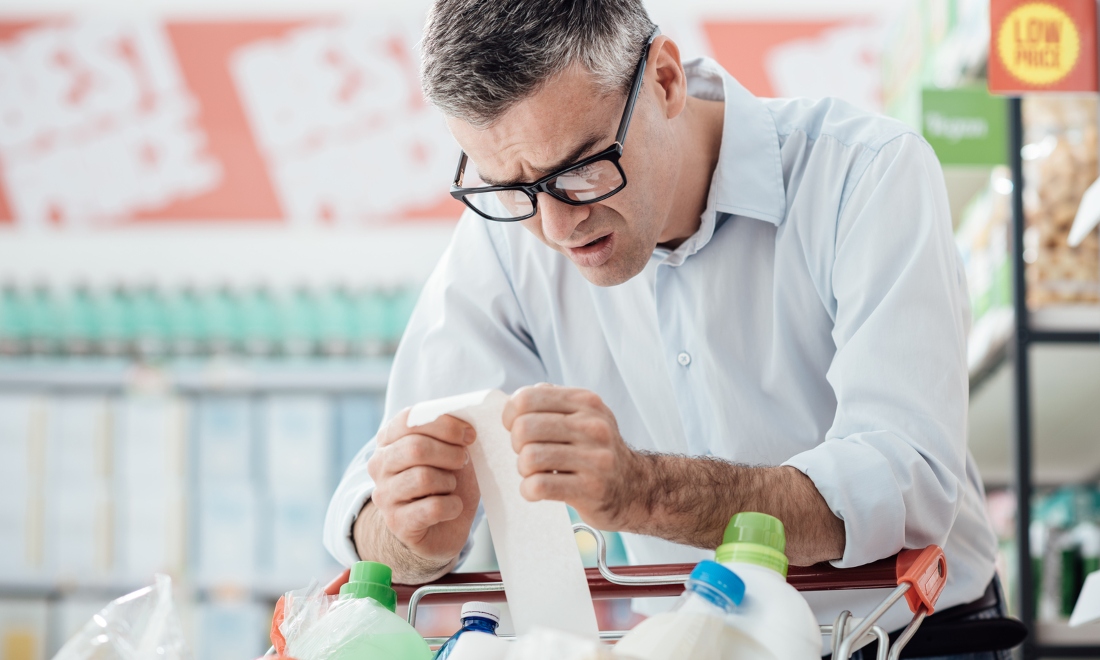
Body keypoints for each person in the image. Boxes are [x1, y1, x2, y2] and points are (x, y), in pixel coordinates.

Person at [323, 1, 1005, 656]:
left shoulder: (864, 174)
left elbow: (906, 483)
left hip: (908, 641)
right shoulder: (502, 244)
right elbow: (368, 505)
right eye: (512, 189)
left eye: (580, 170)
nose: (557, 228)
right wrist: (414, 534)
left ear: (666, 80)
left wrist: (643, 491)